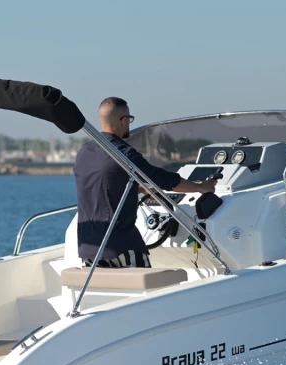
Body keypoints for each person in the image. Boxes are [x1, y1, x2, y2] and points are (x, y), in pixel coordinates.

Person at [73, 97, 216, 268]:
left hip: (88, 246)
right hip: (120, 246)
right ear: (122, 120)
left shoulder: (84, 153)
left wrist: (138, 189)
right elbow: (162, 179)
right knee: (145, 287)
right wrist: (200, 187)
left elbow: (102, 186)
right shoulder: (123, 153)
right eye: (129, 119)